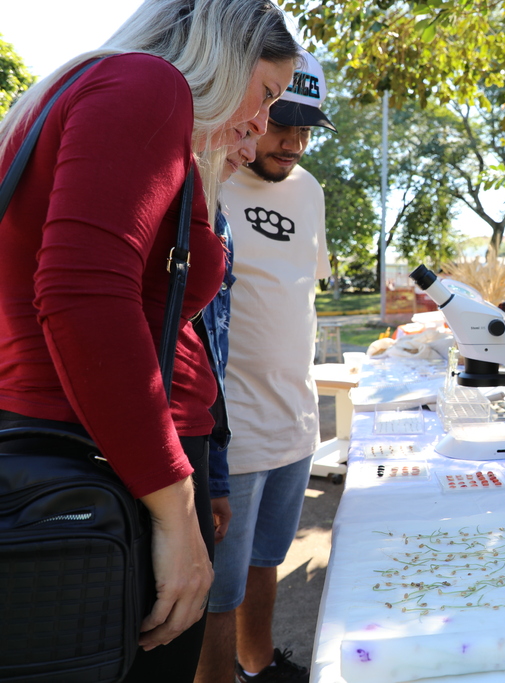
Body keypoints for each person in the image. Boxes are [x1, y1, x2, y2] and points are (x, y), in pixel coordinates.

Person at [0, 0, 298, 680]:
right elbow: (85, 300)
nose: (262, 121)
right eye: (268, 93)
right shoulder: (147, 85)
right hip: (104, 458)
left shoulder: (101, 92)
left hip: (114, 449)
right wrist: (174, 509)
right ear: (225, 49)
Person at [196, 48, 334, 683]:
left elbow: (299, 294)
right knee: (216, 595)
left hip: (295, 423)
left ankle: (258, 666)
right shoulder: (209, 174)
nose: (295, 141)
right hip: (232, 432)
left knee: (266, 562)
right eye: (284, 122)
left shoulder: (311, 191)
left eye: (308, 127)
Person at [204, 131, 260, 545]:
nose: (250, 151)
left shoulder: (218, 221)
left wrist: (214, 475)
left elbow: (211, 360)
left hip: (196, 448)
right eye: (242, 131)